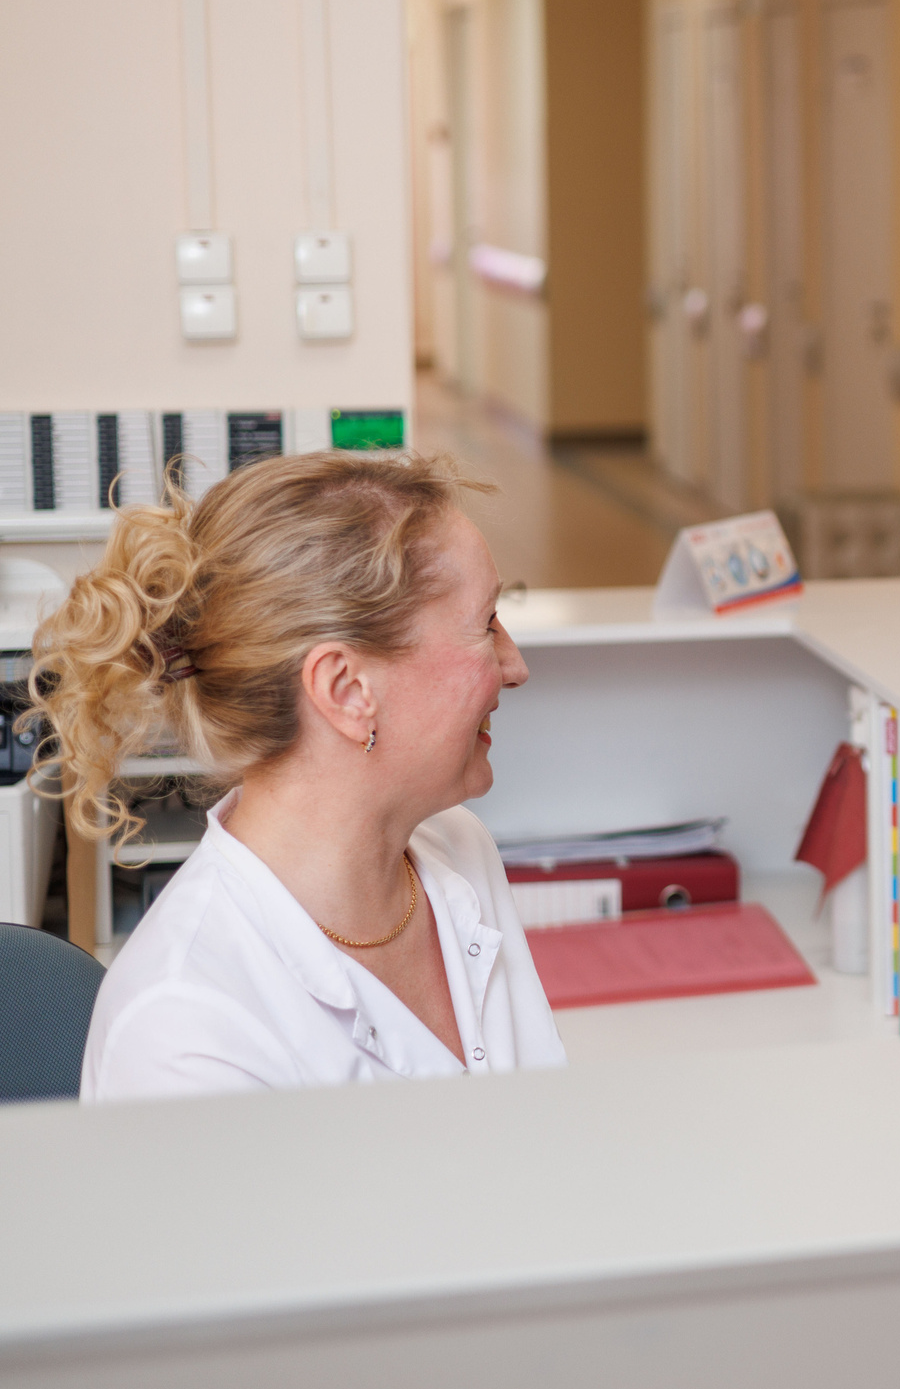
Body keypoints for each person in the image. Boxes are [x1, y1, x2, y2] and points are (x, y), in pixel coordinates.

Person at [34, 450, 564, 1098]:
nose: (515, 666)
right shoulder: (184, 1030)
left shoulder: (459, 850)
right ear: (345, 689)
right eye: (486, 623)